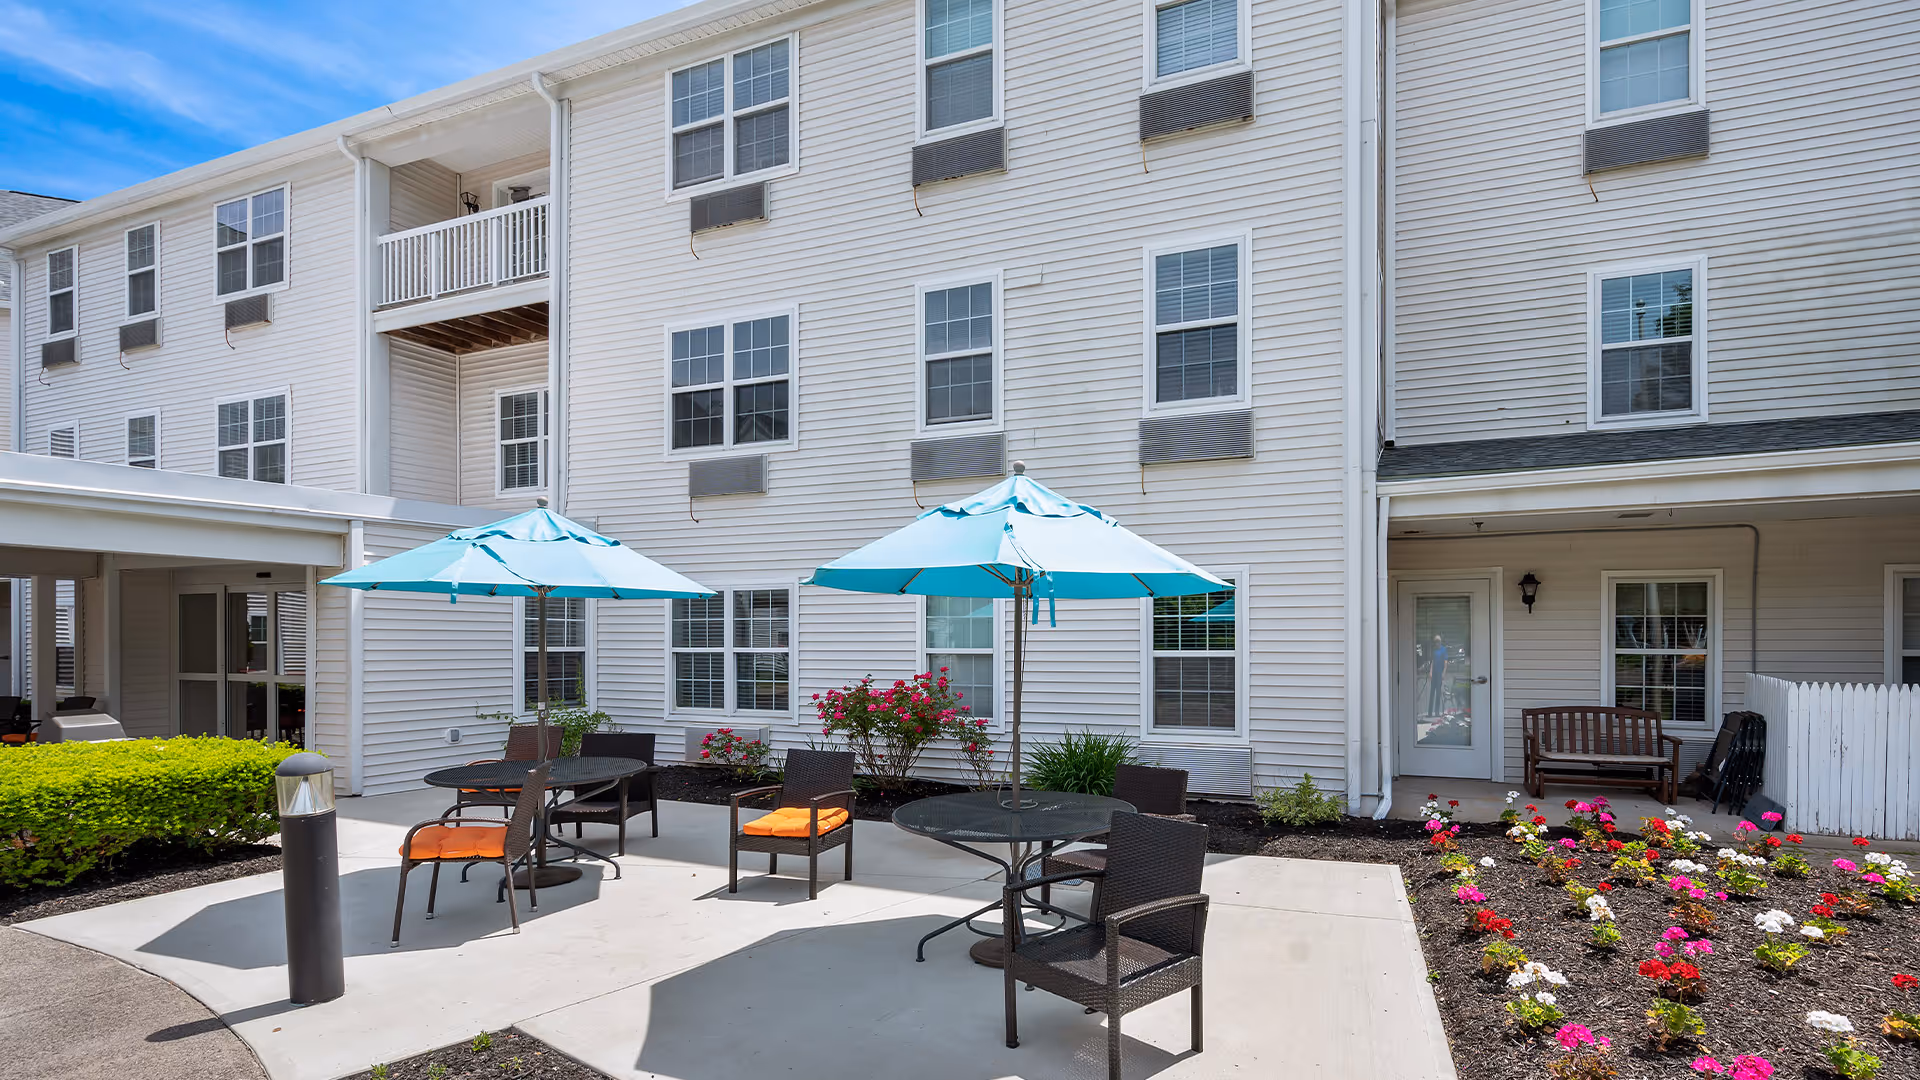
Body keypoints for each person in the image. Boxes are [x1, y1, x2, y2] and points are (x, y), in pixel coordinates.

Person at [1427, 634, 1449, 716]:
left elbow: (1445, 662)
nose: (1437, 643)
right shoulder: (1434, 650)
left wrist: (1443, 673)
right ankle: (1429, 712)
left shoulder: (1443, 650)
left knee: (1438, 693)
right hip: (1434, 674)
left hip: (1440, 673)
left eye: (1438, 642)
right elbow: (1432, 662)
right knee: (1432, 693)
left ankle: (1436, 712)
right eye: (1435, 642)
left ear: (1440, 642)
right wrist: (1430, 672)